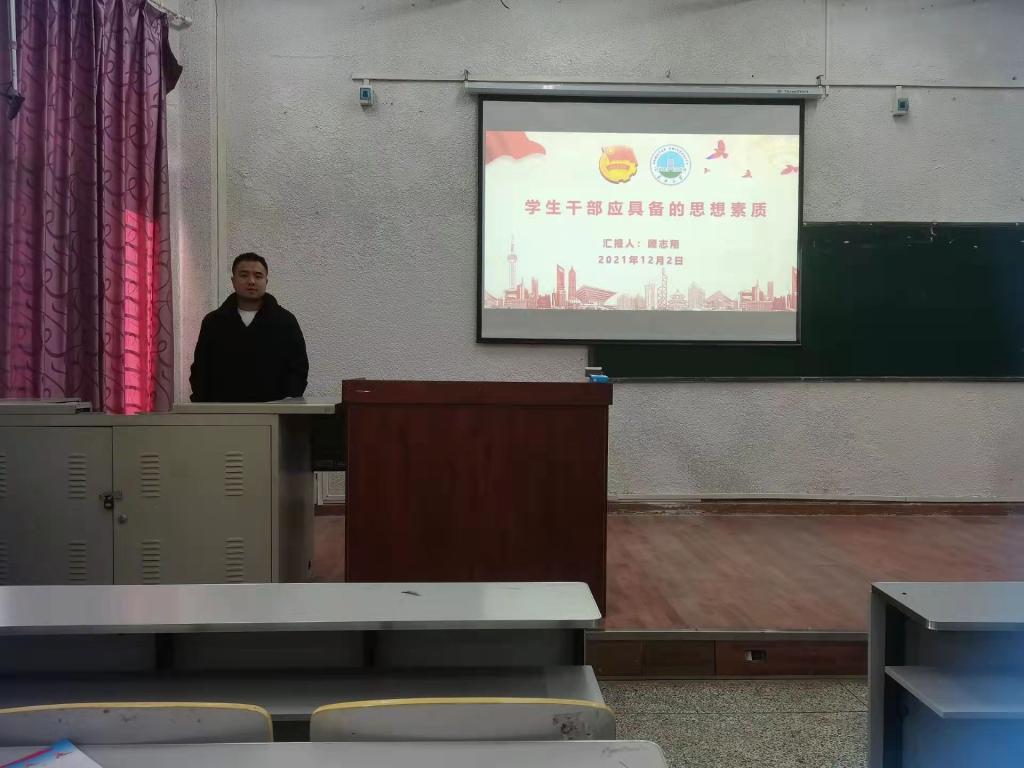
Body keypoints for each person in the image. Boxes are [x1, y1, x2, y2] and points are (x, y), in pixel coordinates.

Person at [190, 252, 309, 402]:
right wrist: (202, 406)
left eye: (258, 276)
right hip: (223, 410)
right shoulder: (213, 322)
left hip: (274, 409)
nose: (251, 281)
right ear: (233, 281)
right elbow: (201, 369)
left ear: (266, 281)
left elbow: (298, 368)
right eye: (244, 275)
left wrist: (286, 402)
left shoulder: (285, 321)